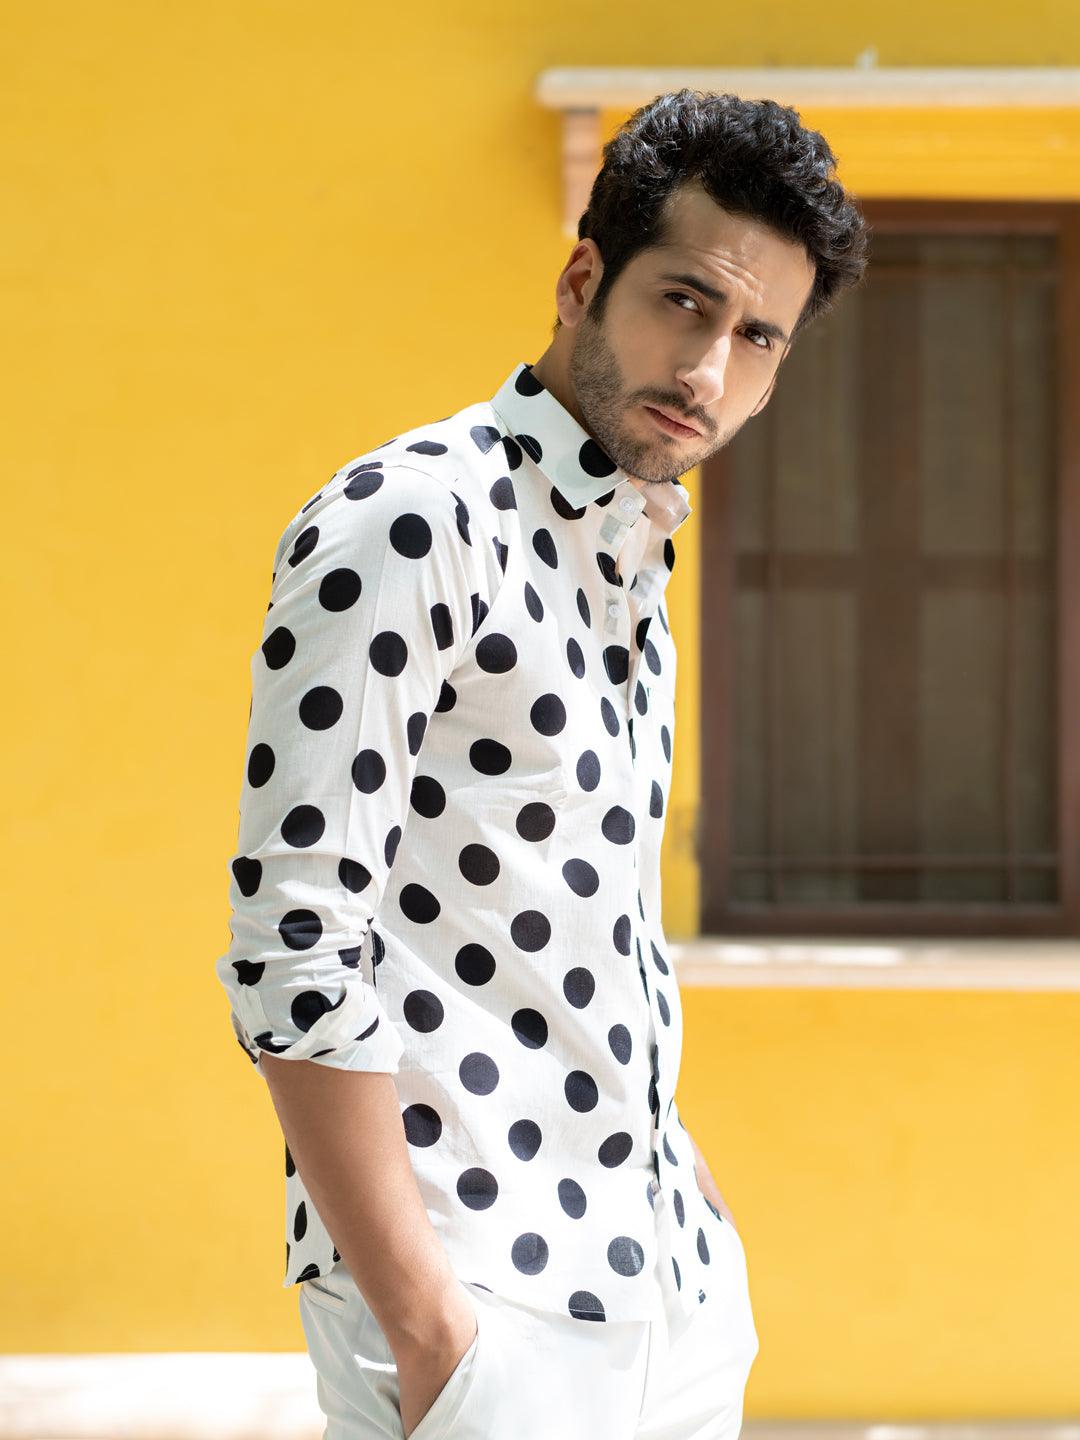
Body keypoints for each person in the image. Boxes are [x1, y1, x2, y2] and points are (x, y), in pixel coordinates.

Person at [215, 87, 867, 1440]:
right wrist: (427, 1325)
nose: (711, 372)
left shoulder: (630, 550)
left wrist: (696, 1223)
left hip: (666, 1290)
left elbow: (583, 921)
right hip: (483, 1304)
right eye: (685, 302)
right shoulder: (413, 521)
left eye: (758, 338)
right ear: (583, 282)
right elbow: (294, 939)